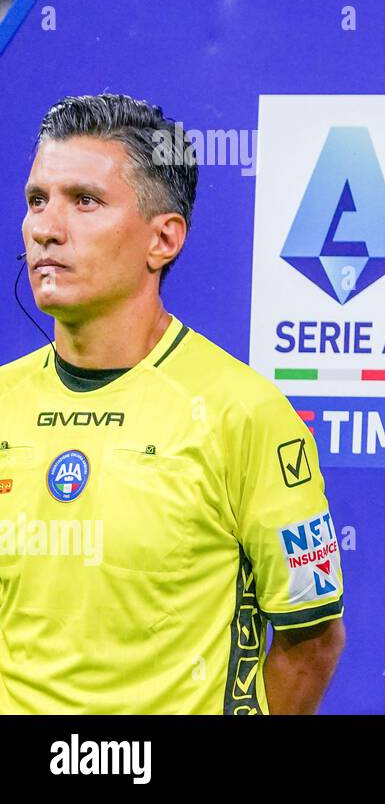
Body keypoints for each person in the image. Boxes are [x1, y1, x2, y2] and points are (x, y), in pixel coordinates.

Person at [0, 94, 345, 713]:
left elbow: (312, 638)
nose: (46, 228)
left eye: (85, 201)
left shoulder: (244, 412)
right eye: (36, 200)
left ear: (163, 239)